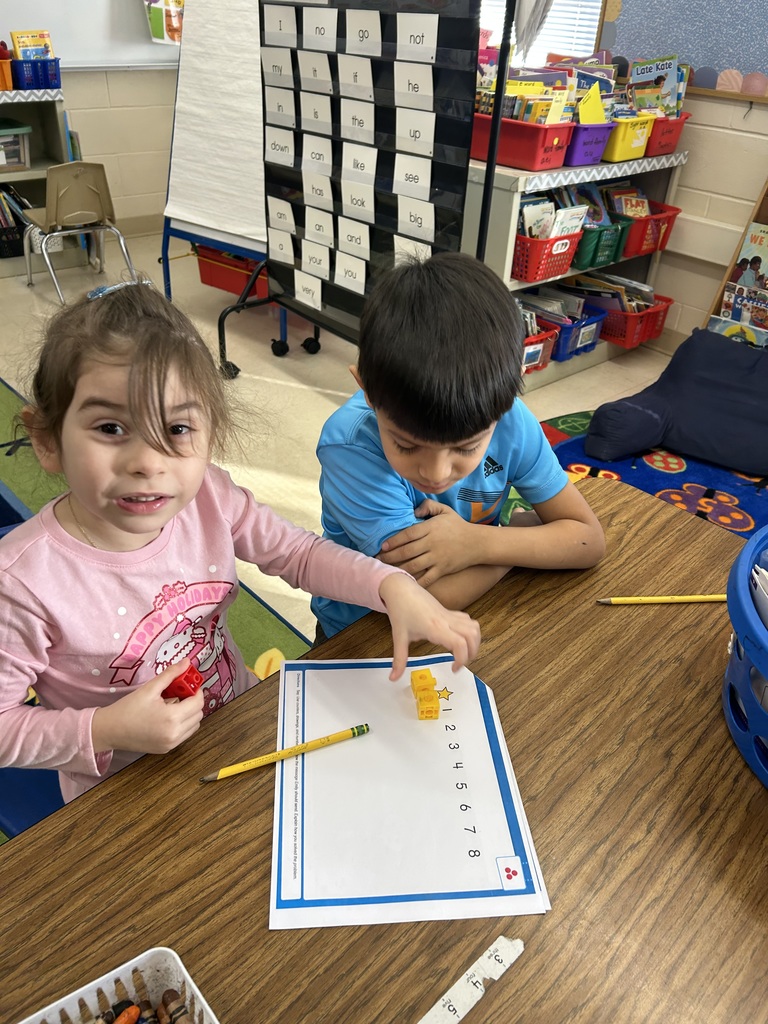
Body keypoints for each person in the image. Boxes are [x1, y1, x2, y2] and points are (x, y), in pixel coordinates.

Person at [0, 281, 480, 802]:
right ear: (47, 440)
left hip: (237, 728)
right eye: (111, 427)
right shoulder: (22, 585)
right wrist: (106, 730)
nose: (147, 461)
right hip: (123, 796)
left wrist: (391, 585)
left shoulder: (209, 496)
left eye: (178, 428)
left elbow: (297, 553)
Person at [312, 252, 606, 640]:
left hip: (477, 612)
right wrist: (512, 545)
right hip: (360, 636)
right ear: (365, 389)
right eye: (405, 444)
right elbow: (424, 598)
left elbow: (588, 540)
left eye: (466, 449)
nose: (435, 473)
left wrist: (477, 543)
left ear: (509, 394)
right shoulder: (351, 448)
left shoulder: (512, 420)